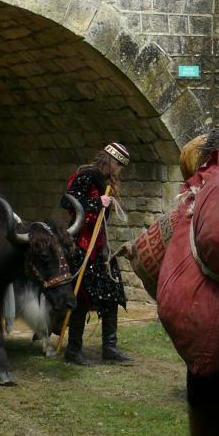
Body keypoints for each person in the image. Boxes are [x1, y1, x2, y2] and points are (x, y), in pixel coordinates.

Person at [60, 142, 132, 365]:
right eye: (119, 165)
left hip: (99, 246)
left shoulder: (105, 181)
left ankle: (109, 347)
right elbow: (66, 201)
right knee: (82, 296)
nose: (119, 170)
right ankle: (73, 349)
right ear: (112, 162)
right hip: (82, 245)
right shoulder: (87, 175)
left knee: (112, 290)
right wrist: (95, 202)